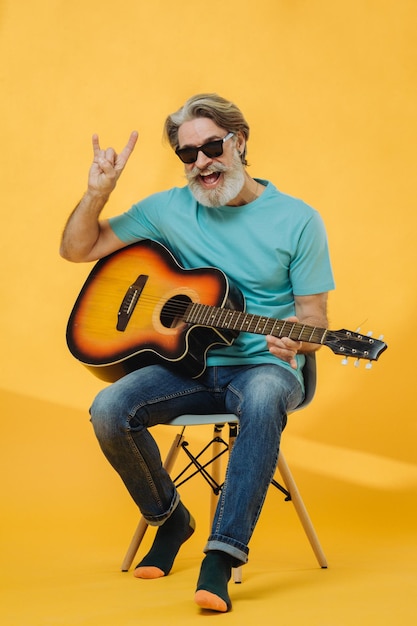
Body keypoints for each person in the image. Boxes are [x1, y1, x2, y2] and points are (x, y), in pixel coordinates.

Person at [60, 93, 335, 613]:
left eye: (212, 146)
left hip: (266, 366)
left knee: (261, 398)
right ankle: (171, 521)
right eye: (189, 154)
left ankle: (222, 557)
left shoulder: (299, 220)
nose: (202, 163)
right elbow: (78, 249)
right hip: (186, 364)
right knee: (108, 409)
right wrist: (98, 192)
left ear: (240, 141)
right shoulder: (167, 208)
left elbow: (315, 319)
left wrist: (297, 338)